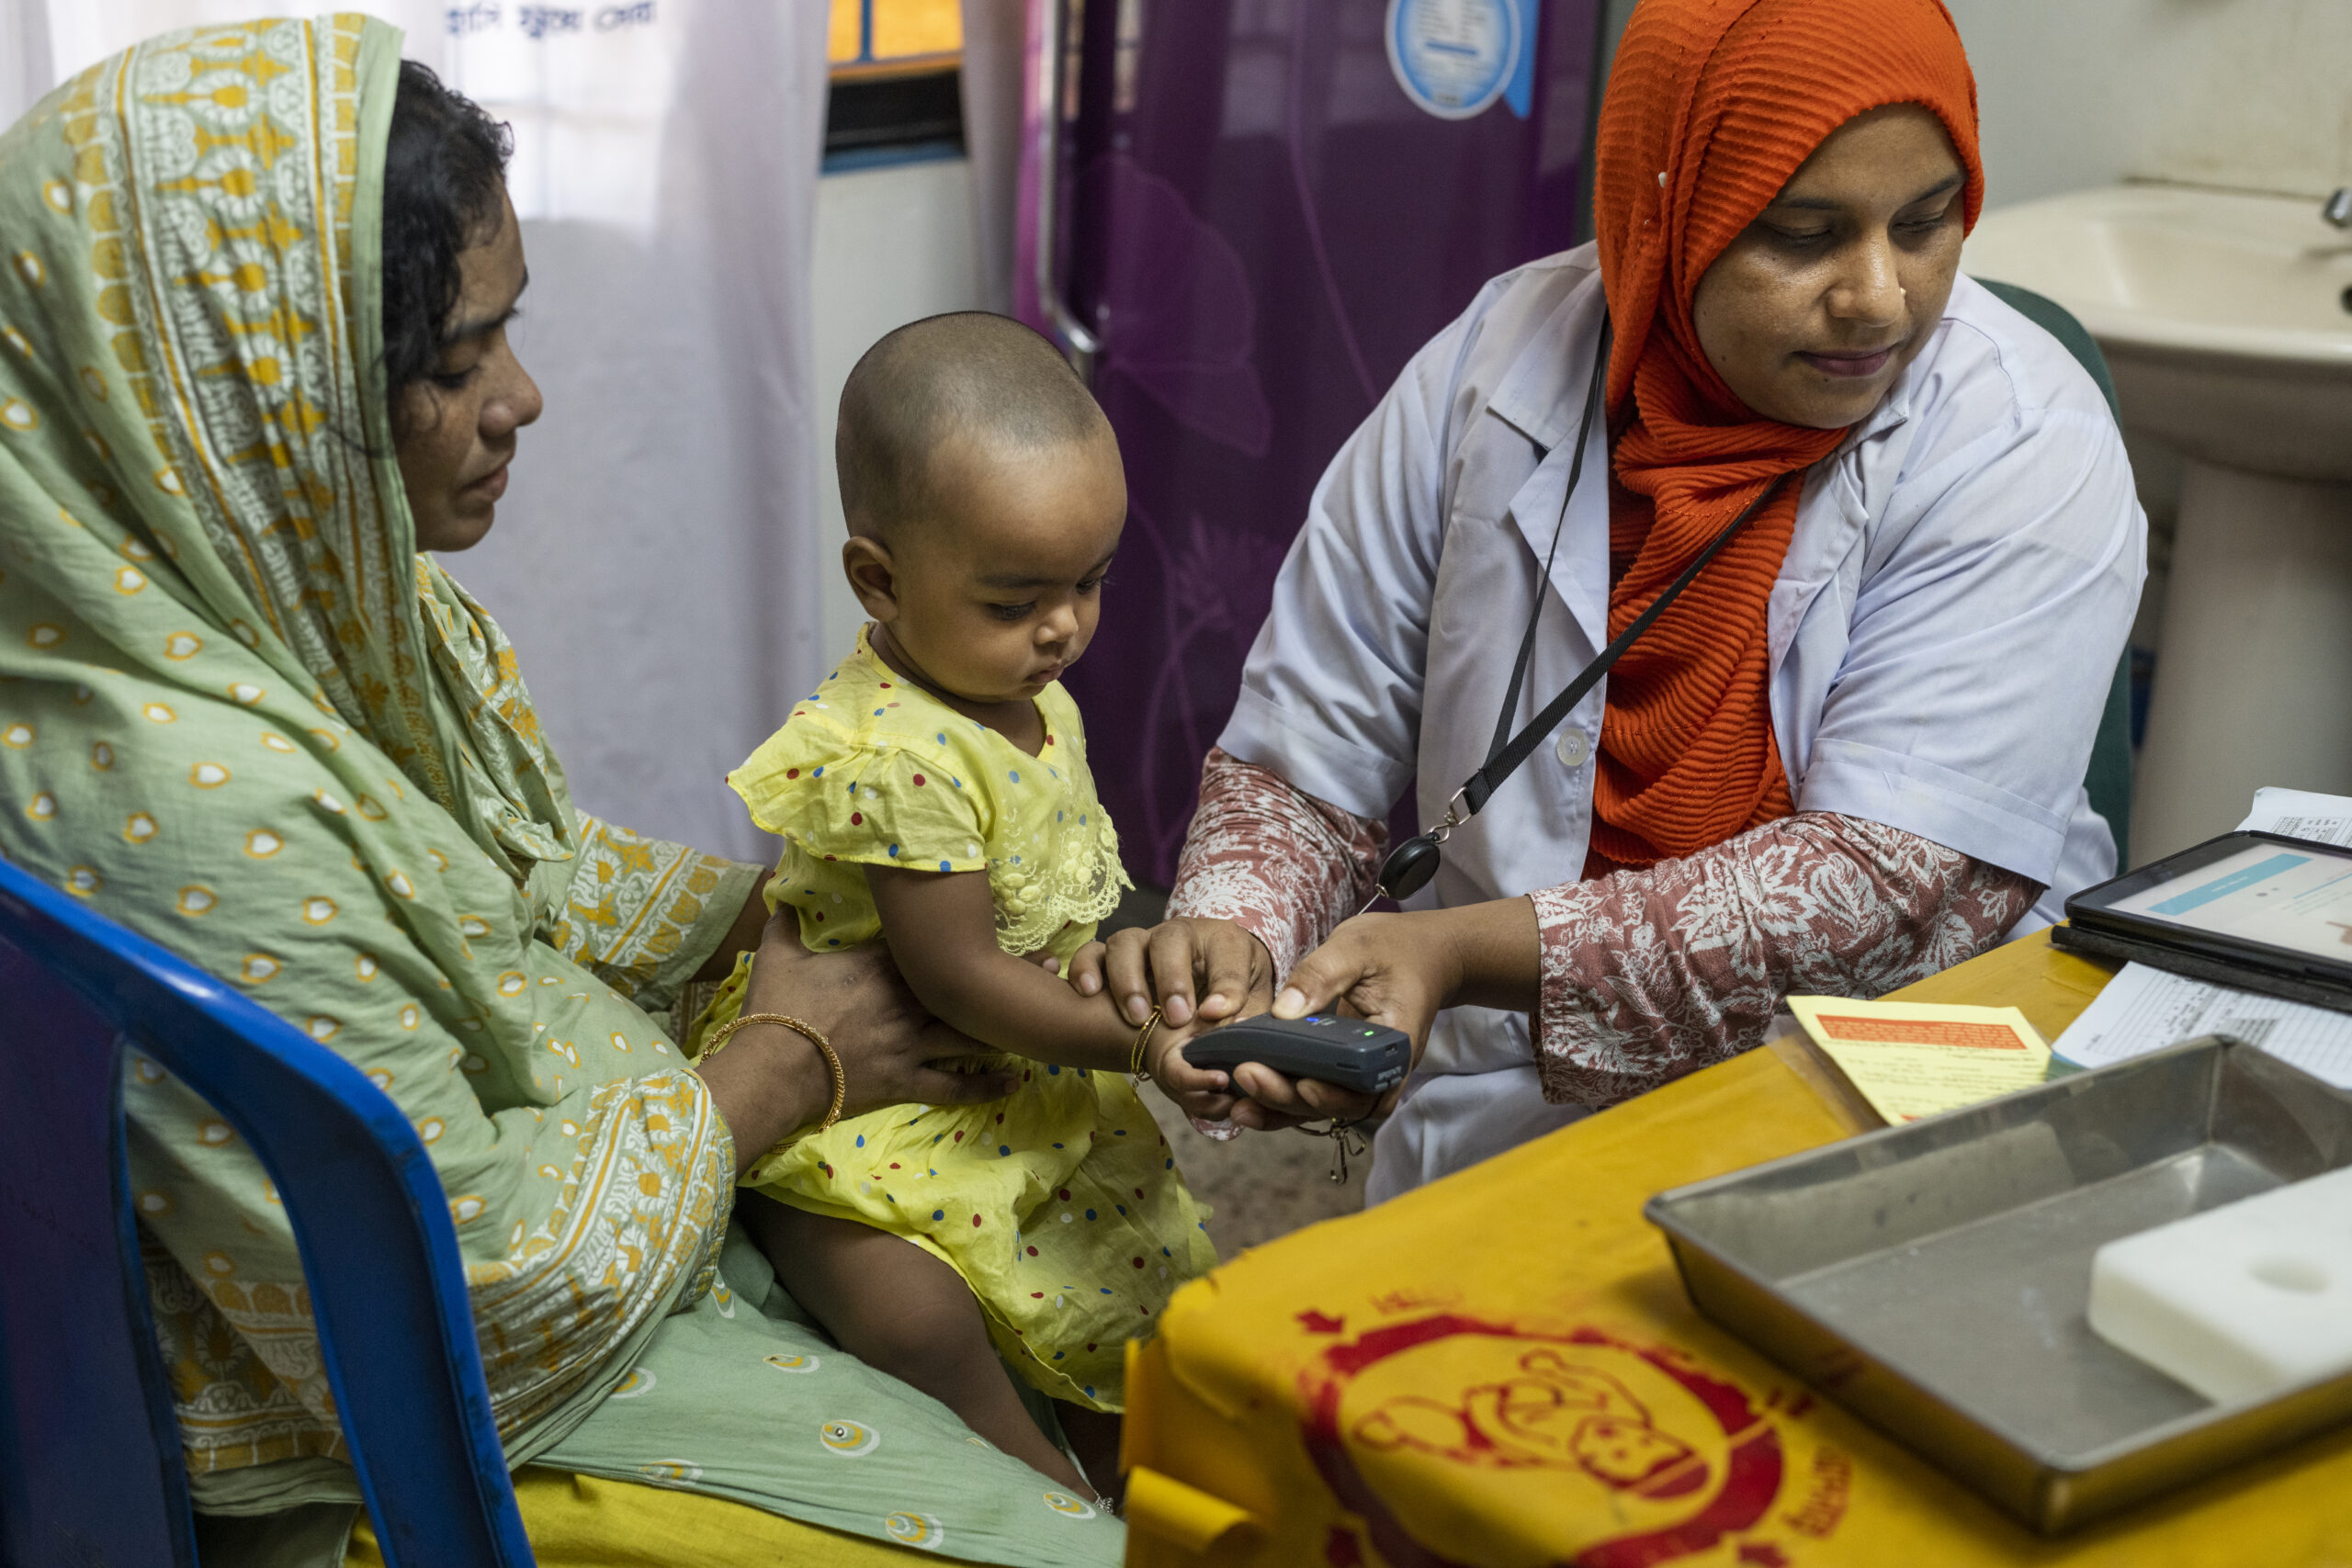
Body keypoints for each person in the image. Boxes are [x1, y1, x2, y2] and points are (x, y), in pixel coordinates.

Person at [0, 20, 1123, 1567]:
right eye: (456, 364)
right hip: (439, 1425)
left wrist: (787, 915)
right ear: (249, 402)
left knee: (1040, 1313)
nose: (520, 399)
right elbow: (468, 1292)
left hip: (617, 1163)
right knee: (1054, 1534)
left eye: (506, 333)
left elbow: (525, 869)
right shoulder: (178, 802)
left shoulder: (318, 618)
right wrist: (779, 1069)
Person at [1070, 0, 2144, 1199]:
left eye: (1927, 222)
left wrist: (1454, 952)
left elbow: (1878, 886)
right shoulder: (1495, 363)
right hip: (1503, 1098)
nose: (1879, 298)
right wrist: (1233, 948)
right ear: (1667, 211)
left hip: (1885, 1082)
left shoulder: (2021, 434)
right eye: (1803, 233)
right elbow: (1307, 754)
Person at [697, 312, 1220, 1498]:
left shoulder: (1027, 692)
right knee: (916, 1320)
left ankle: (1146, 1482)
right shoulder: (899, 754)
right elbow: (961, 980)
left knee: (1140, 1288)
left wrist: (1124, 972)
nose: (1063, 629)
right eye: (1015, 599)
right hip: (885, 1100)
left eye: (1090, 583)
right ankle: (1041, 1501)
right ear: (879, 579)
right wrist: (1142, 1035)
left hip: (1016, 1075)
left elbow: (1059, 903)